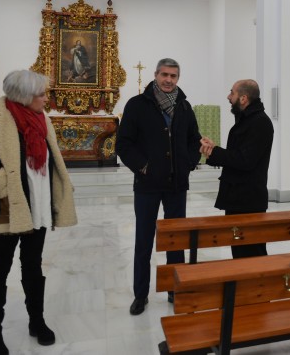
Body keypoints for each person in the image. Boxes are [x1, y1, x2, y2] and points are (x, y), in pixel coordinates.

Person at [0, 70, 77, 355]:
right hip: (9, 210)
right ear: (25, 97)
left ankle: (36, 322)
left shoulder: (42, 119)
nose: (45, 98)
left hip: (38, 209)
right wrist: (4, 186)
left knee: (33, 267)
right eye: (41, 93)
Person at [116, 58, 201, 315]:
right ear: (155, 75)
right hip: (147, 185)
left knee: (176, 241)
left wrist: (188, 164)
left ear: (178, 78)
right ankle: (140, 295)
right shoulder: (137, 105)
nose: (168, 80)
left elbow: (193, 140)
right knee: (144, 241)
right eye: (164, 74)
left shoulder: (184, 107)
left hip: (176, 185)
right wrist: (143, 167)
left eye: (173, 76)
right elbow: (124, 144)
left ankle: (176, 289)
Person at [200, 79, 274, 258]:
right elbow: (238, 155)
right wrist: (214, 151)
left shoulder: (259, 122)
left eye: (231, 93)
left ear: (243, 98)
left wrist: (215, 152)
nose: (228, 96)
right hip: (238, 198)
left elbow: (245, 160)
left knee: (251, 255)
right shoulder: (247, 120)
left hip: (249, 201)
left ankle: (256, 286)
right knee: (240, 253)